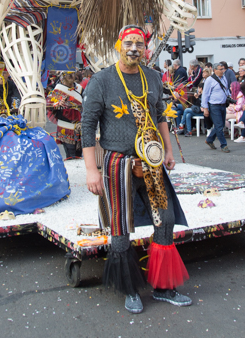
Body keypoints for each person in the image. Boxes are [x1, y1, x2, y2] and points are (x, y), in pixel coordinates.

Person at [80, 25, 190, 314]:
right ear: (119, 45)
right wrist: (92, 170)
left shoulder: (153, 77)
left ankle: (164, 287)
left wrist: (167, 150)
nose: (134, 49)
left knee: (164, 220)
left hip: (152, 161)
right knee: (120, 227)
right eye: (129, 43)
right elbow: (88, 127)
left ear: (146, 48)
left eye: (139, 44)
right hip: (119, 163)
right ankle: (130, 290)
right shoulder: (101, 80)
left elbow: (160, 115)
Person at [47, 72, 83, 159]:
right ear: (63, 76)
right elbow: (50, 105)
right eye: (68, 74)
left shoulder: (80, 88)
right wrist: (57, 104)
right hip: (65, 128)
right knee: (70, 156)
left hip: (80, 127)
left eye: (73, 73)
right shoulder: (58, 90)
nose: (71, 76)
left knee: (79, 155)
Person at [201, 62, 232, 153]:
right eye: (221, 69)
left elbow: (226, 89)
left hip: (222, 104)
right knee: (219, 125)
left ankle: (210, 139)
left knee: (221, 124)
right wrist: (205, 108)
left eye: (223, 69)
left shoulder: (224, 78)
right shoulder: (210, 80)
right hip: (214, 105)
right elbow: (205, 94)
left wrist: (229, 96)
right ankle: (224, 145)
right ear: (215, 70)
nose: (223, 71)